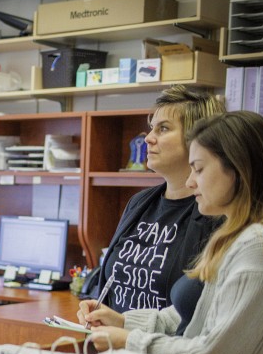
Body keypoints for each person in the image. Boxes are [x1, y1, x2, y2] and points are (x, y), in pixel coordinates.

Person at [78, 111, 263, 354]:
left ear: (238, 170)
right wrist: (124, 321)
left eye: (199, 170)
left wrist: (130, 341)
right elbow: (195, 316)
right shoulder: (236, 236)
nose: (190, 182)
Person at [81, 85, 226, 313]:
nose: (148, 138)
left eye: (163, 128)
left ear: (198, 139)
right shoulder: (139, 202)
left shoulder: (215, 213)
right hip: (115, 335)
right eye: (152, 128)